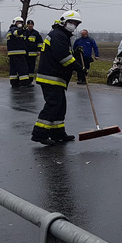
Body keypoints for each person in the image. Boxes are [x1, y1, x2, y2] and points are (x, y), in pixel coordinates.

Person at [31, 10, 86, 146]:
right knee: (53, 105)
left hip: (56, 77)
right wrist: (79, 68)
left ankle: (58, 133)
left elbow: (64, 54)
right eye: (71, 22)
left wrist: (76, 53)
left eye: (76, 23)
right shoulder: (58, 35)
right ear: (63, 21)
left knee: (60, 106)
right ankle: (39, 134)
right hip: (51, 77)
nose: (73, 26)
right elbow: (63, 57)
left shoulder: (61, 35)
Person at [6, 16, 32, 87]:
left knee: (13, 68)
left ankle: (14, 82)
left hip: (12, 53)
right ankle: (25, 82)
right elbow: (16, 33)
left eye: (21, 23)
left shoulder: (10, 30)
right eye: (18, 22)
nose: (20, 24)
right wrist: (23, 29)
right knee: (23, 68)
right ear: (15, 23)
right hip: (18, 52)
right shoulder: (14, 29)